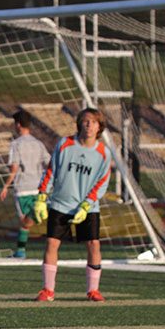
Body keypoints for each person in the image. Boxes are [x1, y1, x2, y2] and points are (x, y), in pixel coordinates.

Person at [33, 107, 112, 302]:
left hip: (87, 207)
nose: (89, 125)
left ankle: (93, 290)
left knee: (94, 245)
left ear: (99, 127)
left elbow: (102, 182)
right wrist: (42, 196)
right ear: (79, 123)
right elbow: (51, 170)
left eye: (93, 122)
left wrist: (87, 205)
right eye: (85, 121)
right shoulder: (65, 144)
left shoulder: (103, 153)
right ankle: (48, 290)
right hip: (60, 203)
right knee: (52, 243)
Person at [0, 110, 50, 259]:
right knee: (29, 221)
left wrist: (5, 186)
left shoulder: (16, 144)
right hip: (39, 188)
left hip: (23, 189)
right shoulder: (38, 143)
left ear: (18, 125)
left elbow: (14, 168)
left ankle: (20, 252)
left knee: (24, 223)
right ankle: (41, 212)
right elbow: (49, 163)